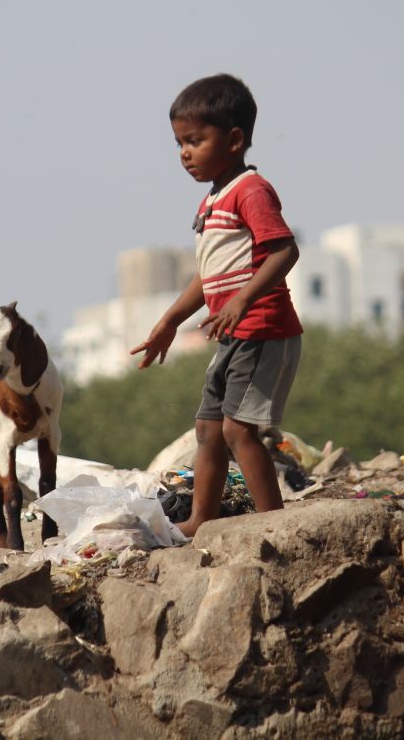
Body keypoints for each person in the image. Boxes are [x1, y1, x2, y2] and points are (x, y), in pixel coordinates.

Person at [131, 73, 302, 537]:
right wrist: (170, 320)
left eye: (195, 140)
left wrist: (244, 298)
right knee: (207, 430)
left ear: (234, 139)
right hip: (234, 334)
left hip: (263, 329)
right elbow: (208, 275)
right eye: (179, 142)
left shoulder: (250, 190)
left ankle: (273, 525)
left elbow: (285, 250)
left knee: (238, 431)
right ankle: (201, 518)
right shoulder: (214, 199)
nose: (184, 152)